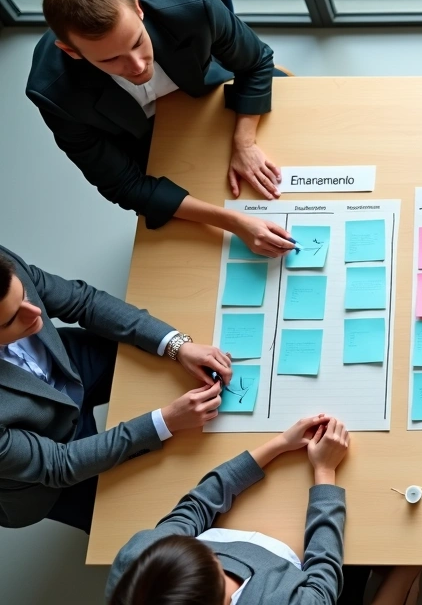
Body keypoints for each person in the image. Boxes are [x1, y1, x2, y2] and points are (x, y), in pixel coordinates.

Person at [26, 0, 294, 257]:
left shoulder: (188, 2)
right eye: (112, 59)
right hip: (145, 142)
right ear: (71, 51)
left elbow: (256, 62)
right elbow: (124, 185)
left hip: (210, 97)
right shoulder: (55, 95)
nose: (138, 66)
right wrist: (233, 222)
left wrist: (244, 143)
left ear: (138, 9)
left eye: (137, 42)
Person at [0, 247, 230, 532]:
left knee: (153, 359)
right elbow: (59, 465)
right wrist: (165, 421)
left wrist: (177, 345)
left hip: (71, 366)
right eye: (12, 319)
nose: (35, 311)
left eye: (25, 295)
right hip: (43, 477)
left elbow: (83, 301)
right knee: (132, 519)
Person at [105, 415, 351, 604]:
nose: (218, 555)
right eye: (214, 559)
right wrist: (325, 472)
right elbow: (322, 582)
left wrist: (279, 444)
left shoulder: (140, 562)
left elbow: (197, 505)